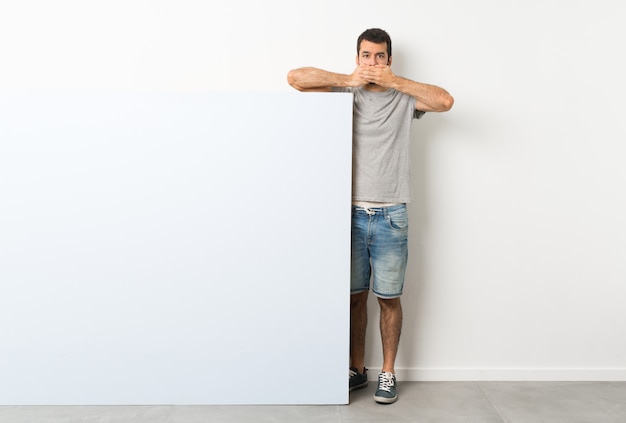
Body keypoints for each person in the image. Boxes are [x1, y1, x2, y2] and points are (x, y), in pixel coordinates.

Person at [287, 28, 453, 404]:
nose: (373, 63)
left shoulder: (403, 97)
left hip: (392, 213)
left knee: (389, 298)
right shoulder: (346, 92)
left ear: (389, 60)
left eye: (380, 56)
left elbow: (445, 101)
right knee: (352, 296)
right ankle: (356, 370)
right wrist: (346, 78)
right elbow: (295, 79)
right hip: (347, 213)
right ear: (357, 57)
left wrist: (397, 82)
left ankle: (388, 373)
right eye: (366, 55)